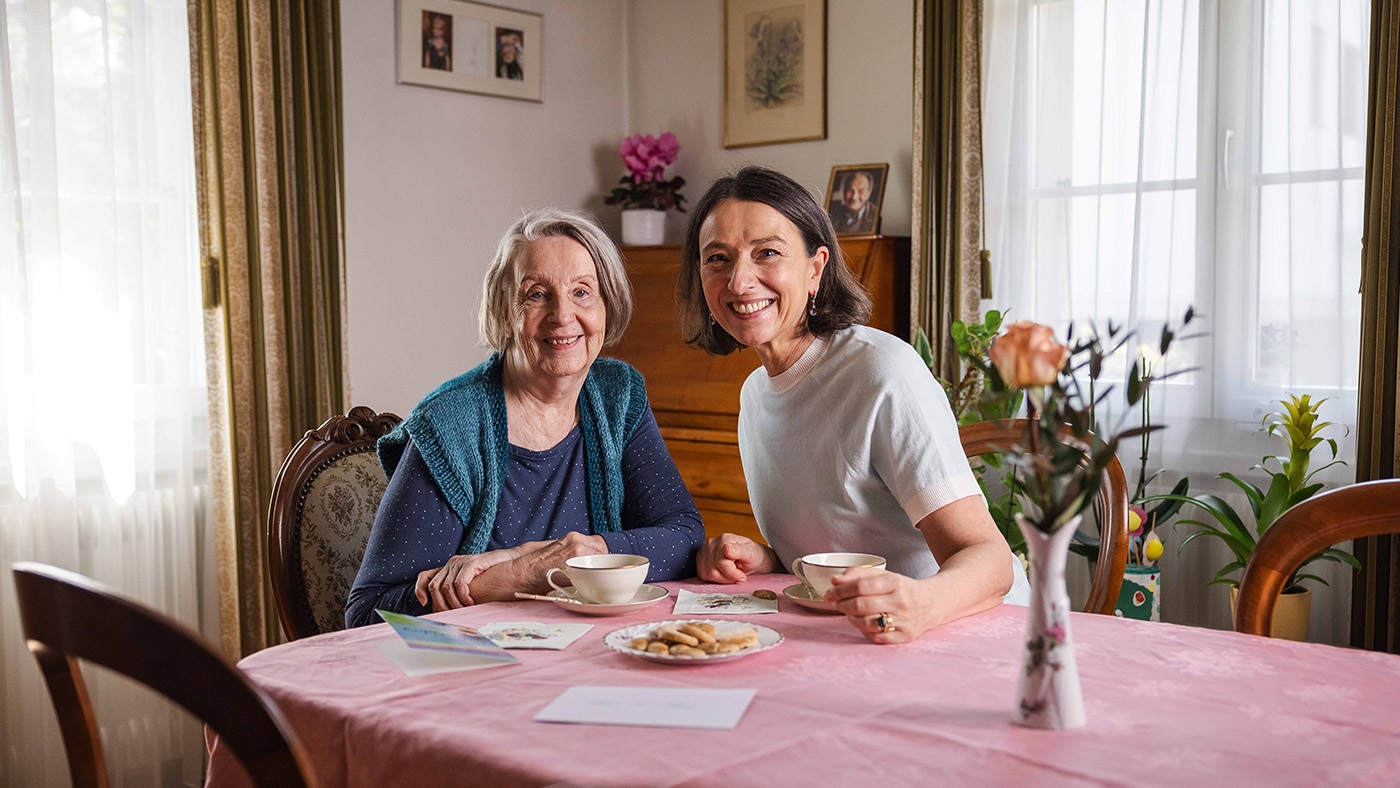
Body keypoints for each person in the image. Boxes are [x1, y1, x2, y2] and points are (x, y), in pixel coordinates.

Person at [678, 166, 1029, 644]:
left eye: (768, 253)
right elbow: (848, 544)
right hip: (865, 635)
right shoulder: (755, 395)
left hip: (972, 630)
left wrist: (919, 604)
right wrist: (770, 559)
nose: (739, 281)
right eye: (717, 258)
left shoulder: (882, 371)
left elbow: (989, 560)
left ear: (815, 268)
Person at [345, 209, 704, 628]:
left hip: (592, 652)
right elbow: (370, 613)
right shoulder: (450, 426)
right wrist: (506, 580)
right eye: (536, 294)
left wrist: (562, 557)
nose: (562, 315)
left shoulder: (616, 395)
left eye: (583, 292)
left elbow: (684, 535)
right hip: (483, 670)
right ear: (504, 311)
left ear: (609, 305)